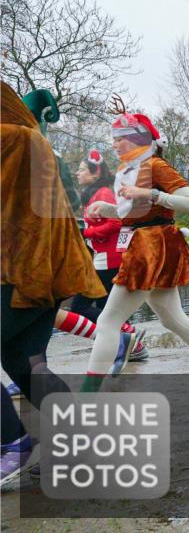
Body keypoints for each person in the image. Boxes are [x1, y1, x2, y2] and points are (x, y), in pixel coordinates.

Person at [81, 105, 189, 404]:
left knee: (107, 323)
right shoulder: (132, 170)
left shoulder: (156, 165)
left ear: (137, 140)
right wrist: (107, 210)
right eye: (113, 138)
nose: (114, 144)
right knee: (173, 319)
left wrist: (149, 193)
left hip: (151, 248)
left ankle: (85, 399)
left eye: (119, 138)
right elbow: (138, 214)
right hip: (150, 245)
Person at [1, 83, 105, 482]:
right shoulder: (30, 139)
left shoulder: (11, 140)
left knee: (25, 362)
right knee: (23, 361)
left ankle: (10, 443)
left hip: (19, 273)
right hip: (45, 273)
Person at [49, 149, 148, 372]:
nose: (77, 173)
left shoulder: (103, 193)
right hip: (102, 258)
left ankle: (129, 338)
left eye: (82, 169)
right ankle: (131, 344)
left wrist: (86, 233)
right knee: (106, 309)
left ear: (95, 173)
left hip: (110, 259)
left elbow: (116, 223)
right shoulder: (94, 193)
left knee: (81, 306)